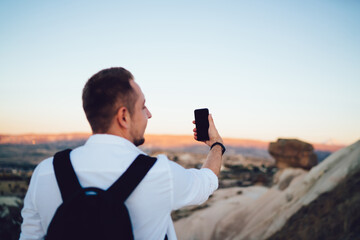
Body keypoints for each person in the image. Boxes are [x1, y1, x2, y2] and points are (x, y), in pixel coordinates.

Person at [19, 67, 225, 240]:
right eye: (143, 106)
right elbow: (207, 181)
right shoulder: (161, 174)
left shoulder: (45, 173)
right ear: (124, 117)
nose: (149, 114)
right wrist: (216, 144)